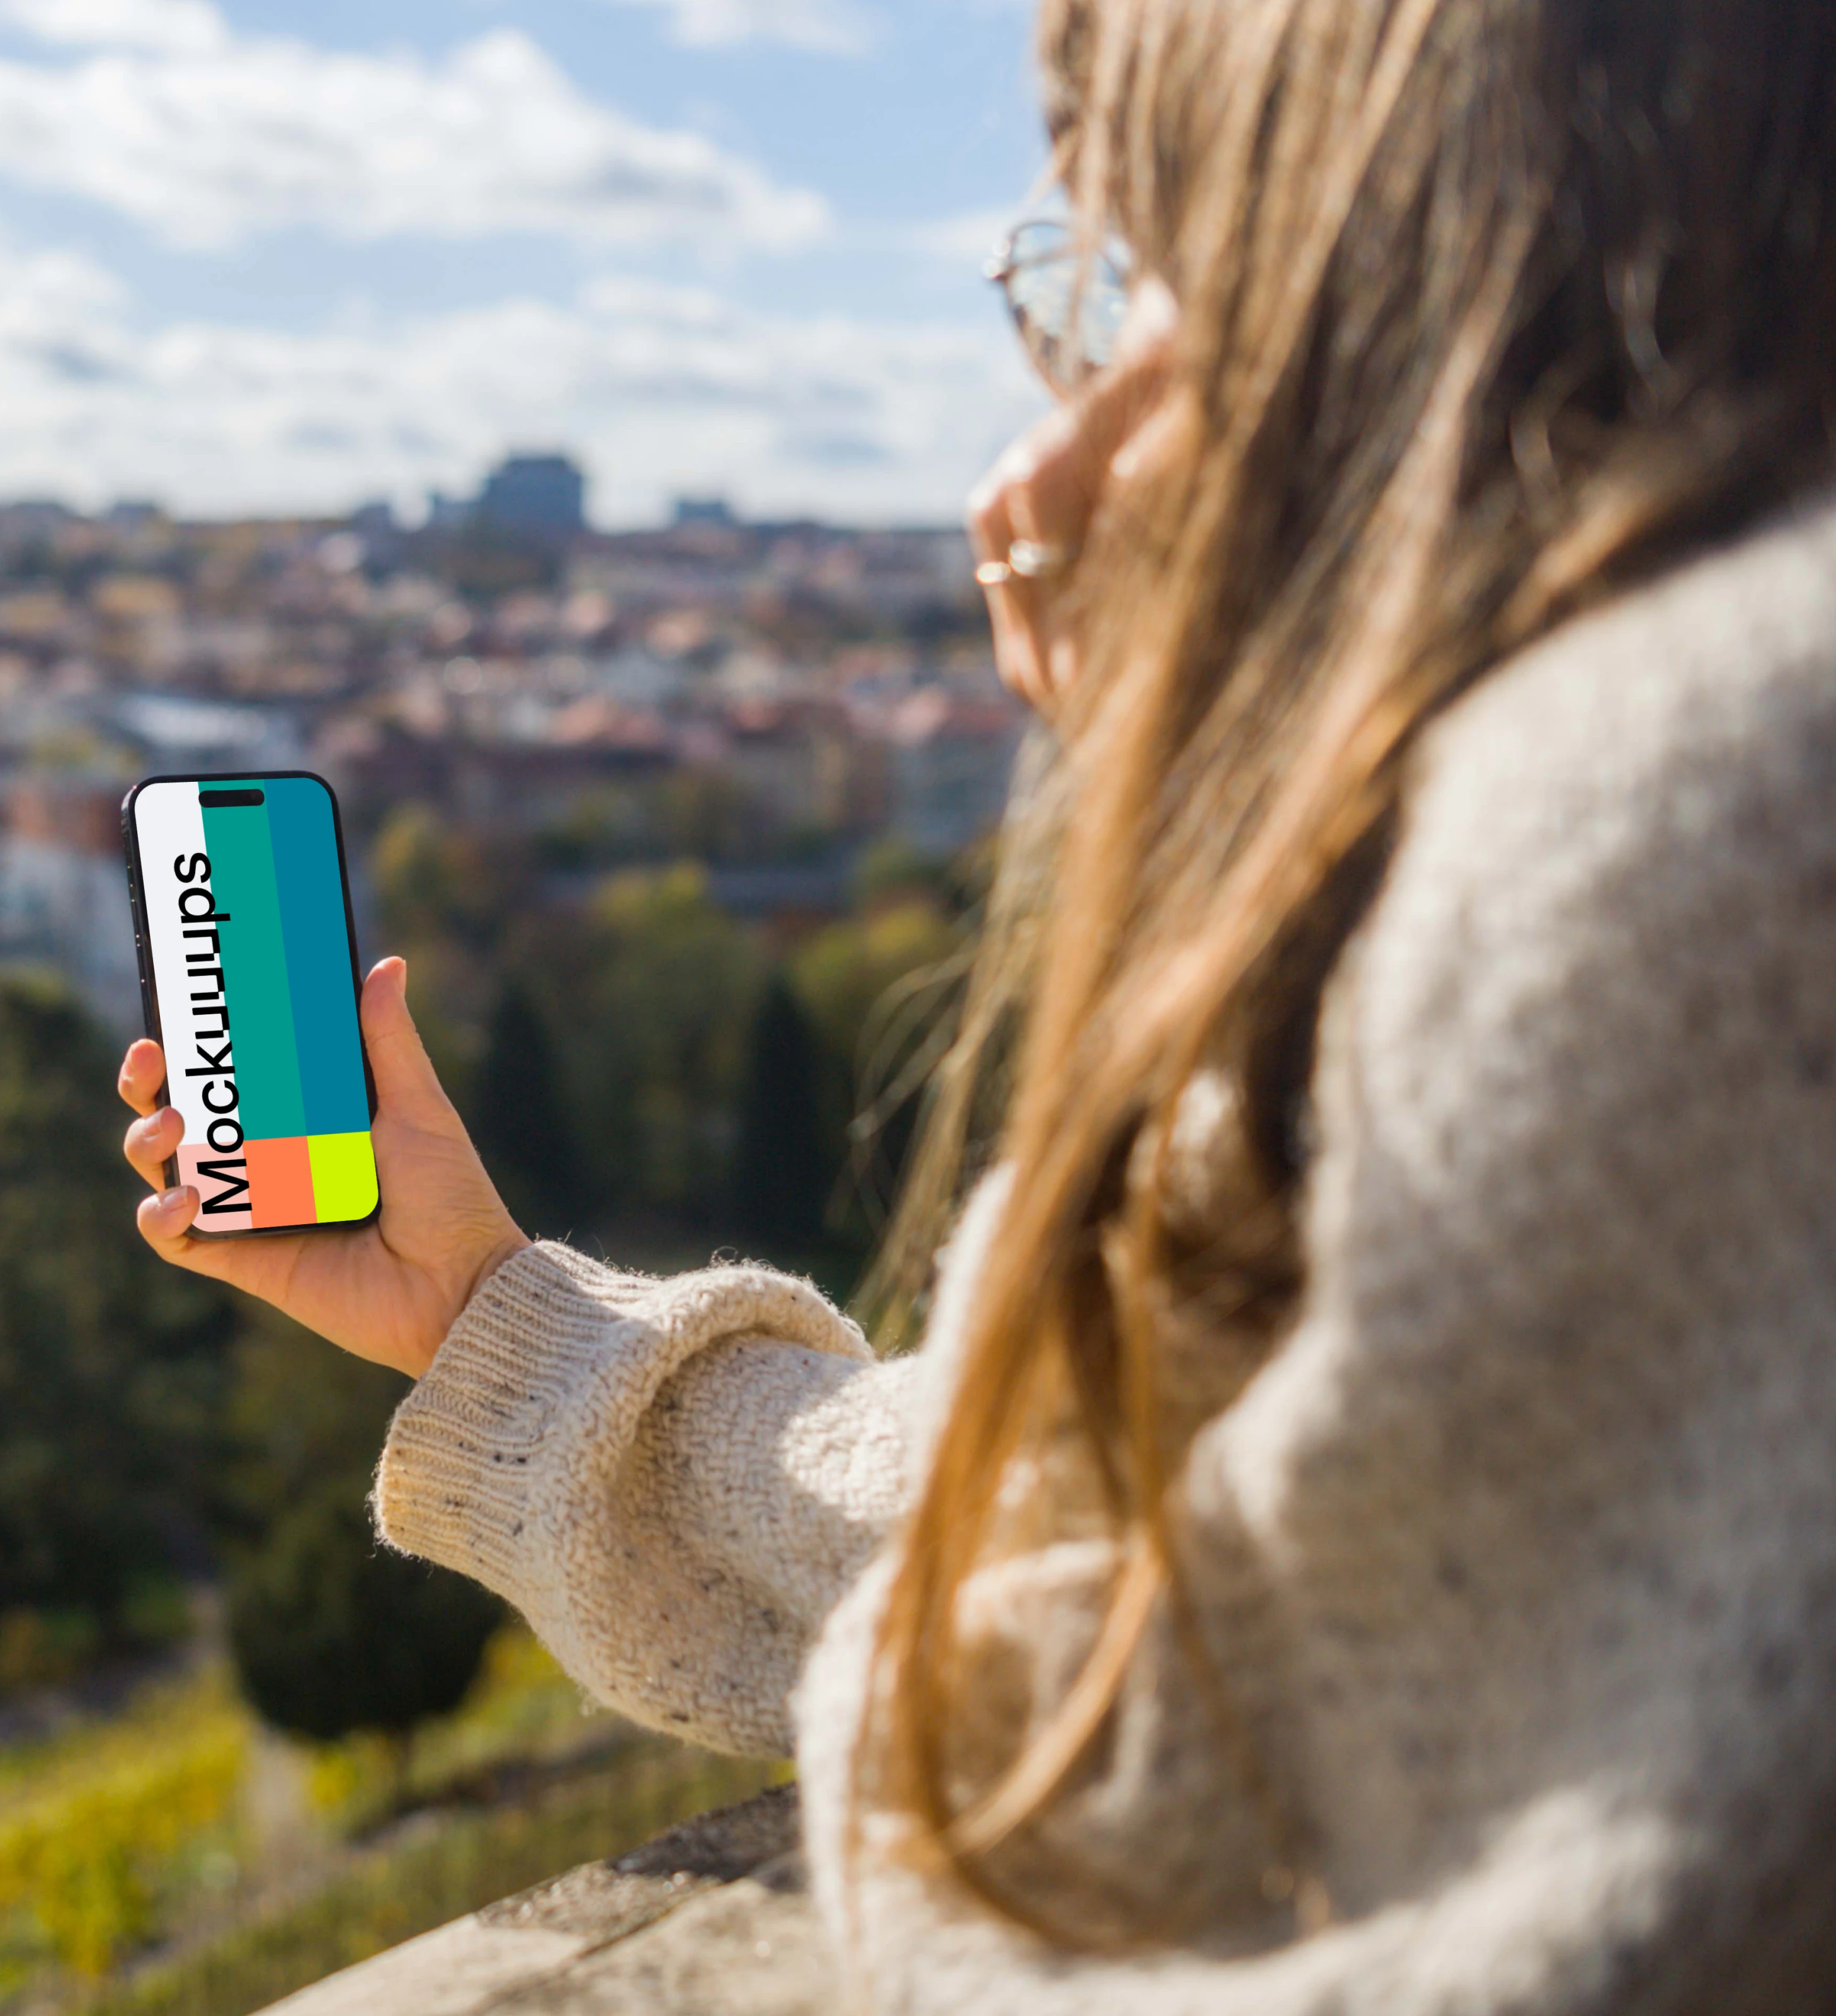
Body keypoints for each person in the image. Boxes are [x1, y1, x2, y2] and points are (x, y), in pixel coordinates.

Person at [117, 0, 1836, 2005]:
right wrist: (499, 1321)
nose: (1062, 414)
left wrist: (1215, 776)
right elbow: (1184, 1535)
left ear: (1390, 247)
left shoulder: (1707, 799)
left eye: (1143, 258)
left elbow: (1150, 1840)